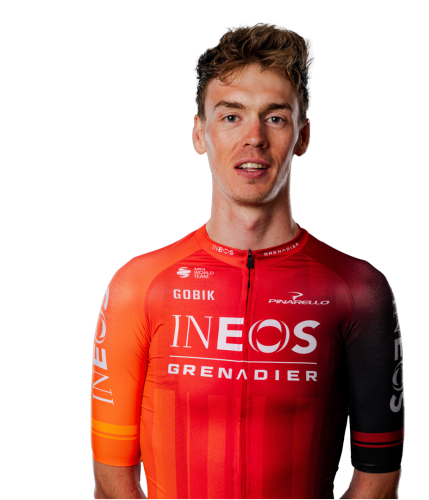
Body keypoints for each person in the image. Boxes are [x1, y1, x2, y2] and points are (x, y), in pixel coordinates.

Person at [91, 22, 404, 500]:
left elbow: (378, 485)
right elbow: (112, 485)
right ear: (200, 133)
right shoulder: (139, 284)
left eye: (274, 117)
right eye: (231, 116)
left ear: (303, 136)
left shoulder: (358, 289)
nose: (254, 137)